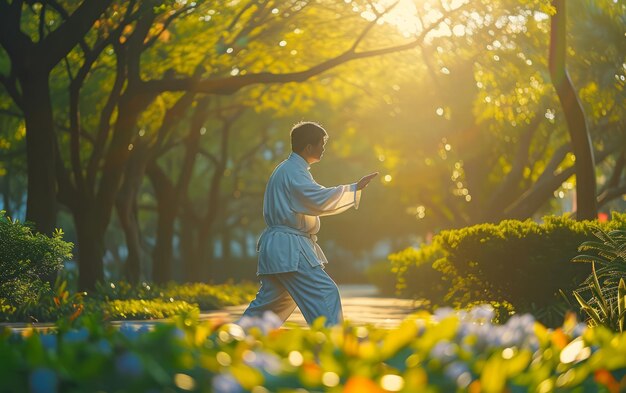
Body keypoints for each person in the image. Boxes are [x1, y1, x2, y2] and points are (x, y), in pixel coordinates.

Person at [240, 121, 378, 327]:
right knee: (325, 293)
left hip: (281, 246)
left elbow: (312, 197)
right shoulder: (293, 171)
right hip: (289, 247)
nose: (323, 148)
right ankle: (331, 348)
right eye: (321, 144)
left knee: (268, 308)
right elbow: (316, 198)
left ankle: (225, 341)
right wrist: (353, 188)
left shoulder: (289, 169)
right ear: (308, 147)